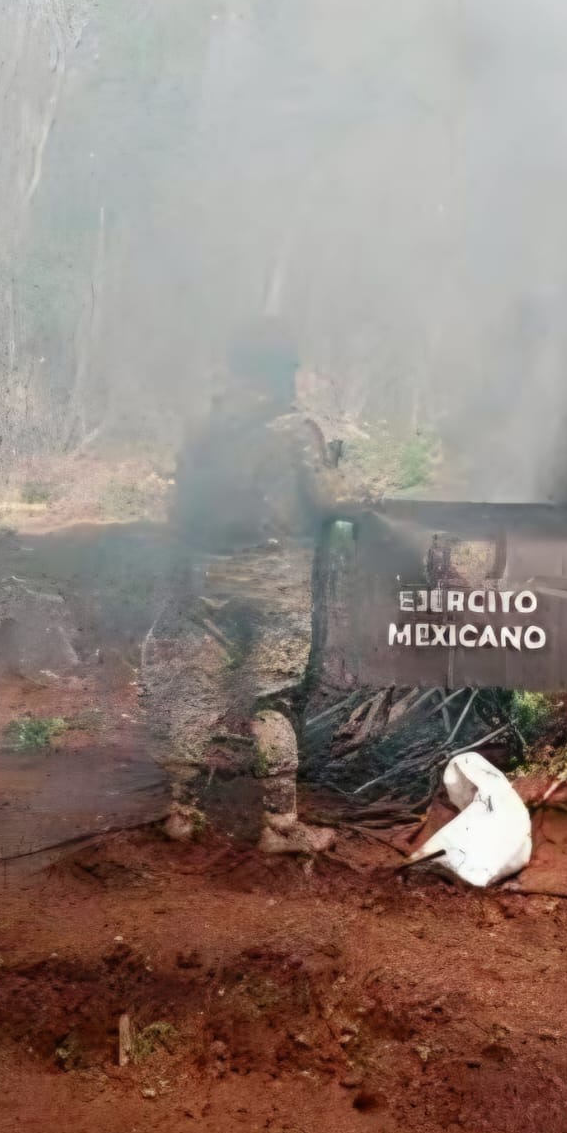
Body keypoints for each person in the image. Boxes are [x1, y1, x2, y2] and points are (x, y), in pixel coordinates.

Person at [144, 320, 354, 855]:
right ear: (281, 373)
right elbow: (332, 503)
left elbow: (178, 512)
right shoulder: (293, 431)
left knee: (195, 692)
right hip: (276, 585)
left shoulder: (204, 431)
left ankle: (181, 811)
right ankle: (280, 826)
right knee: (272, 701)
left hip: (207, 580)